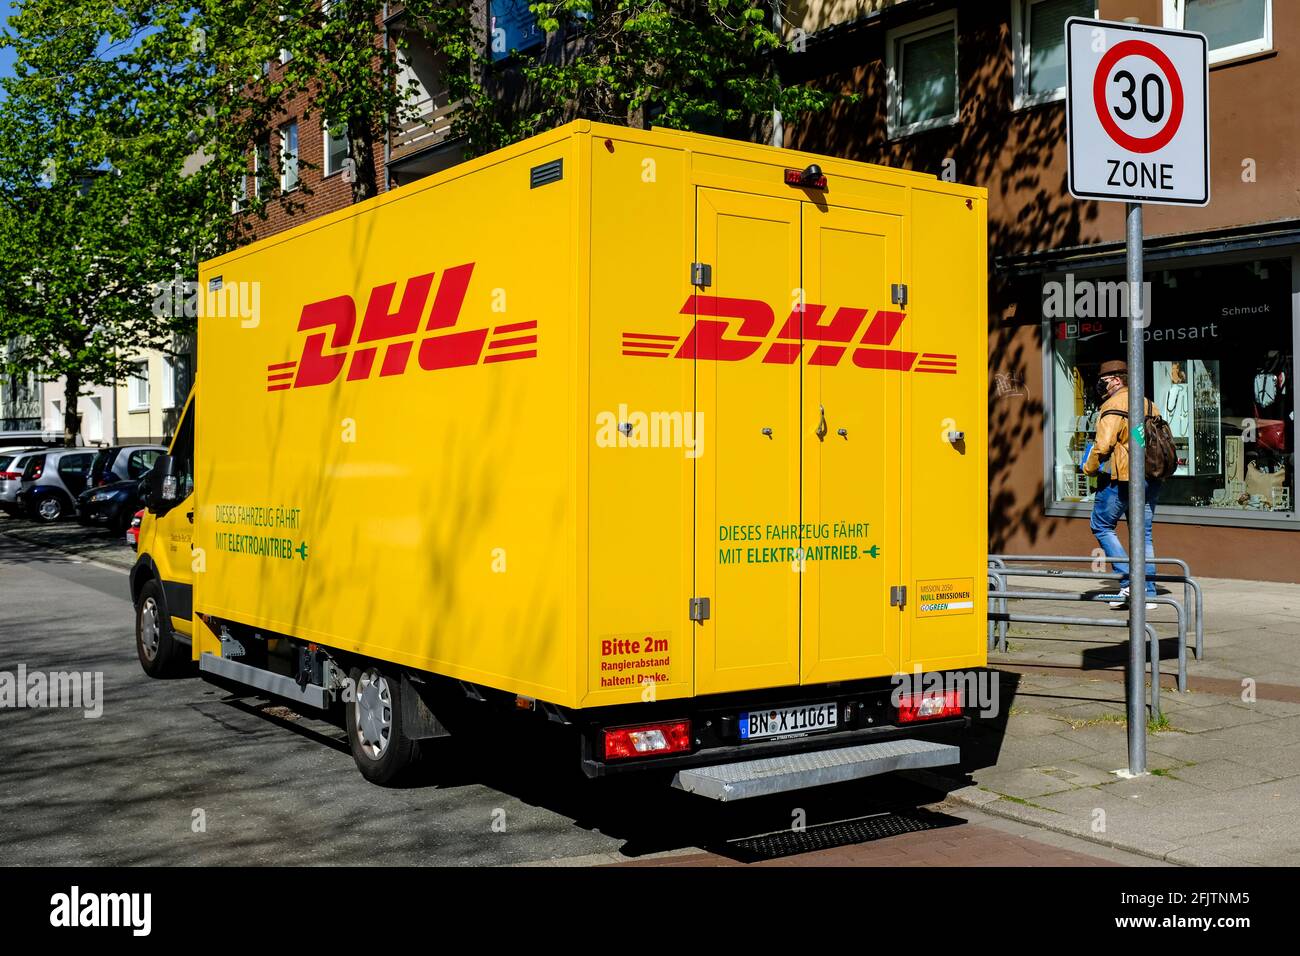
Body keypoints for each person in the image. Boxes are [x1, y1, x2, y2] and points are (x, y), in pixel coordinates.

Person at [1082, 360, 1160, 611]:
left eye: (1104, 381)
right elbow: (1141, 438)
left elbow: (1103, 445)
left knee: (1102, 525)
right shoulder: (1148, 403)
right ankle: (1147, 591)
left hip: (1121, 478)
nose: (1101, 386)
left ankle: (1129, 581)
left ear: (1116, 380)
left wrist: (1089, 468)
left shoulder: (1113, 405)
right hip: (1150, 477)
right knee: (1143, 534)